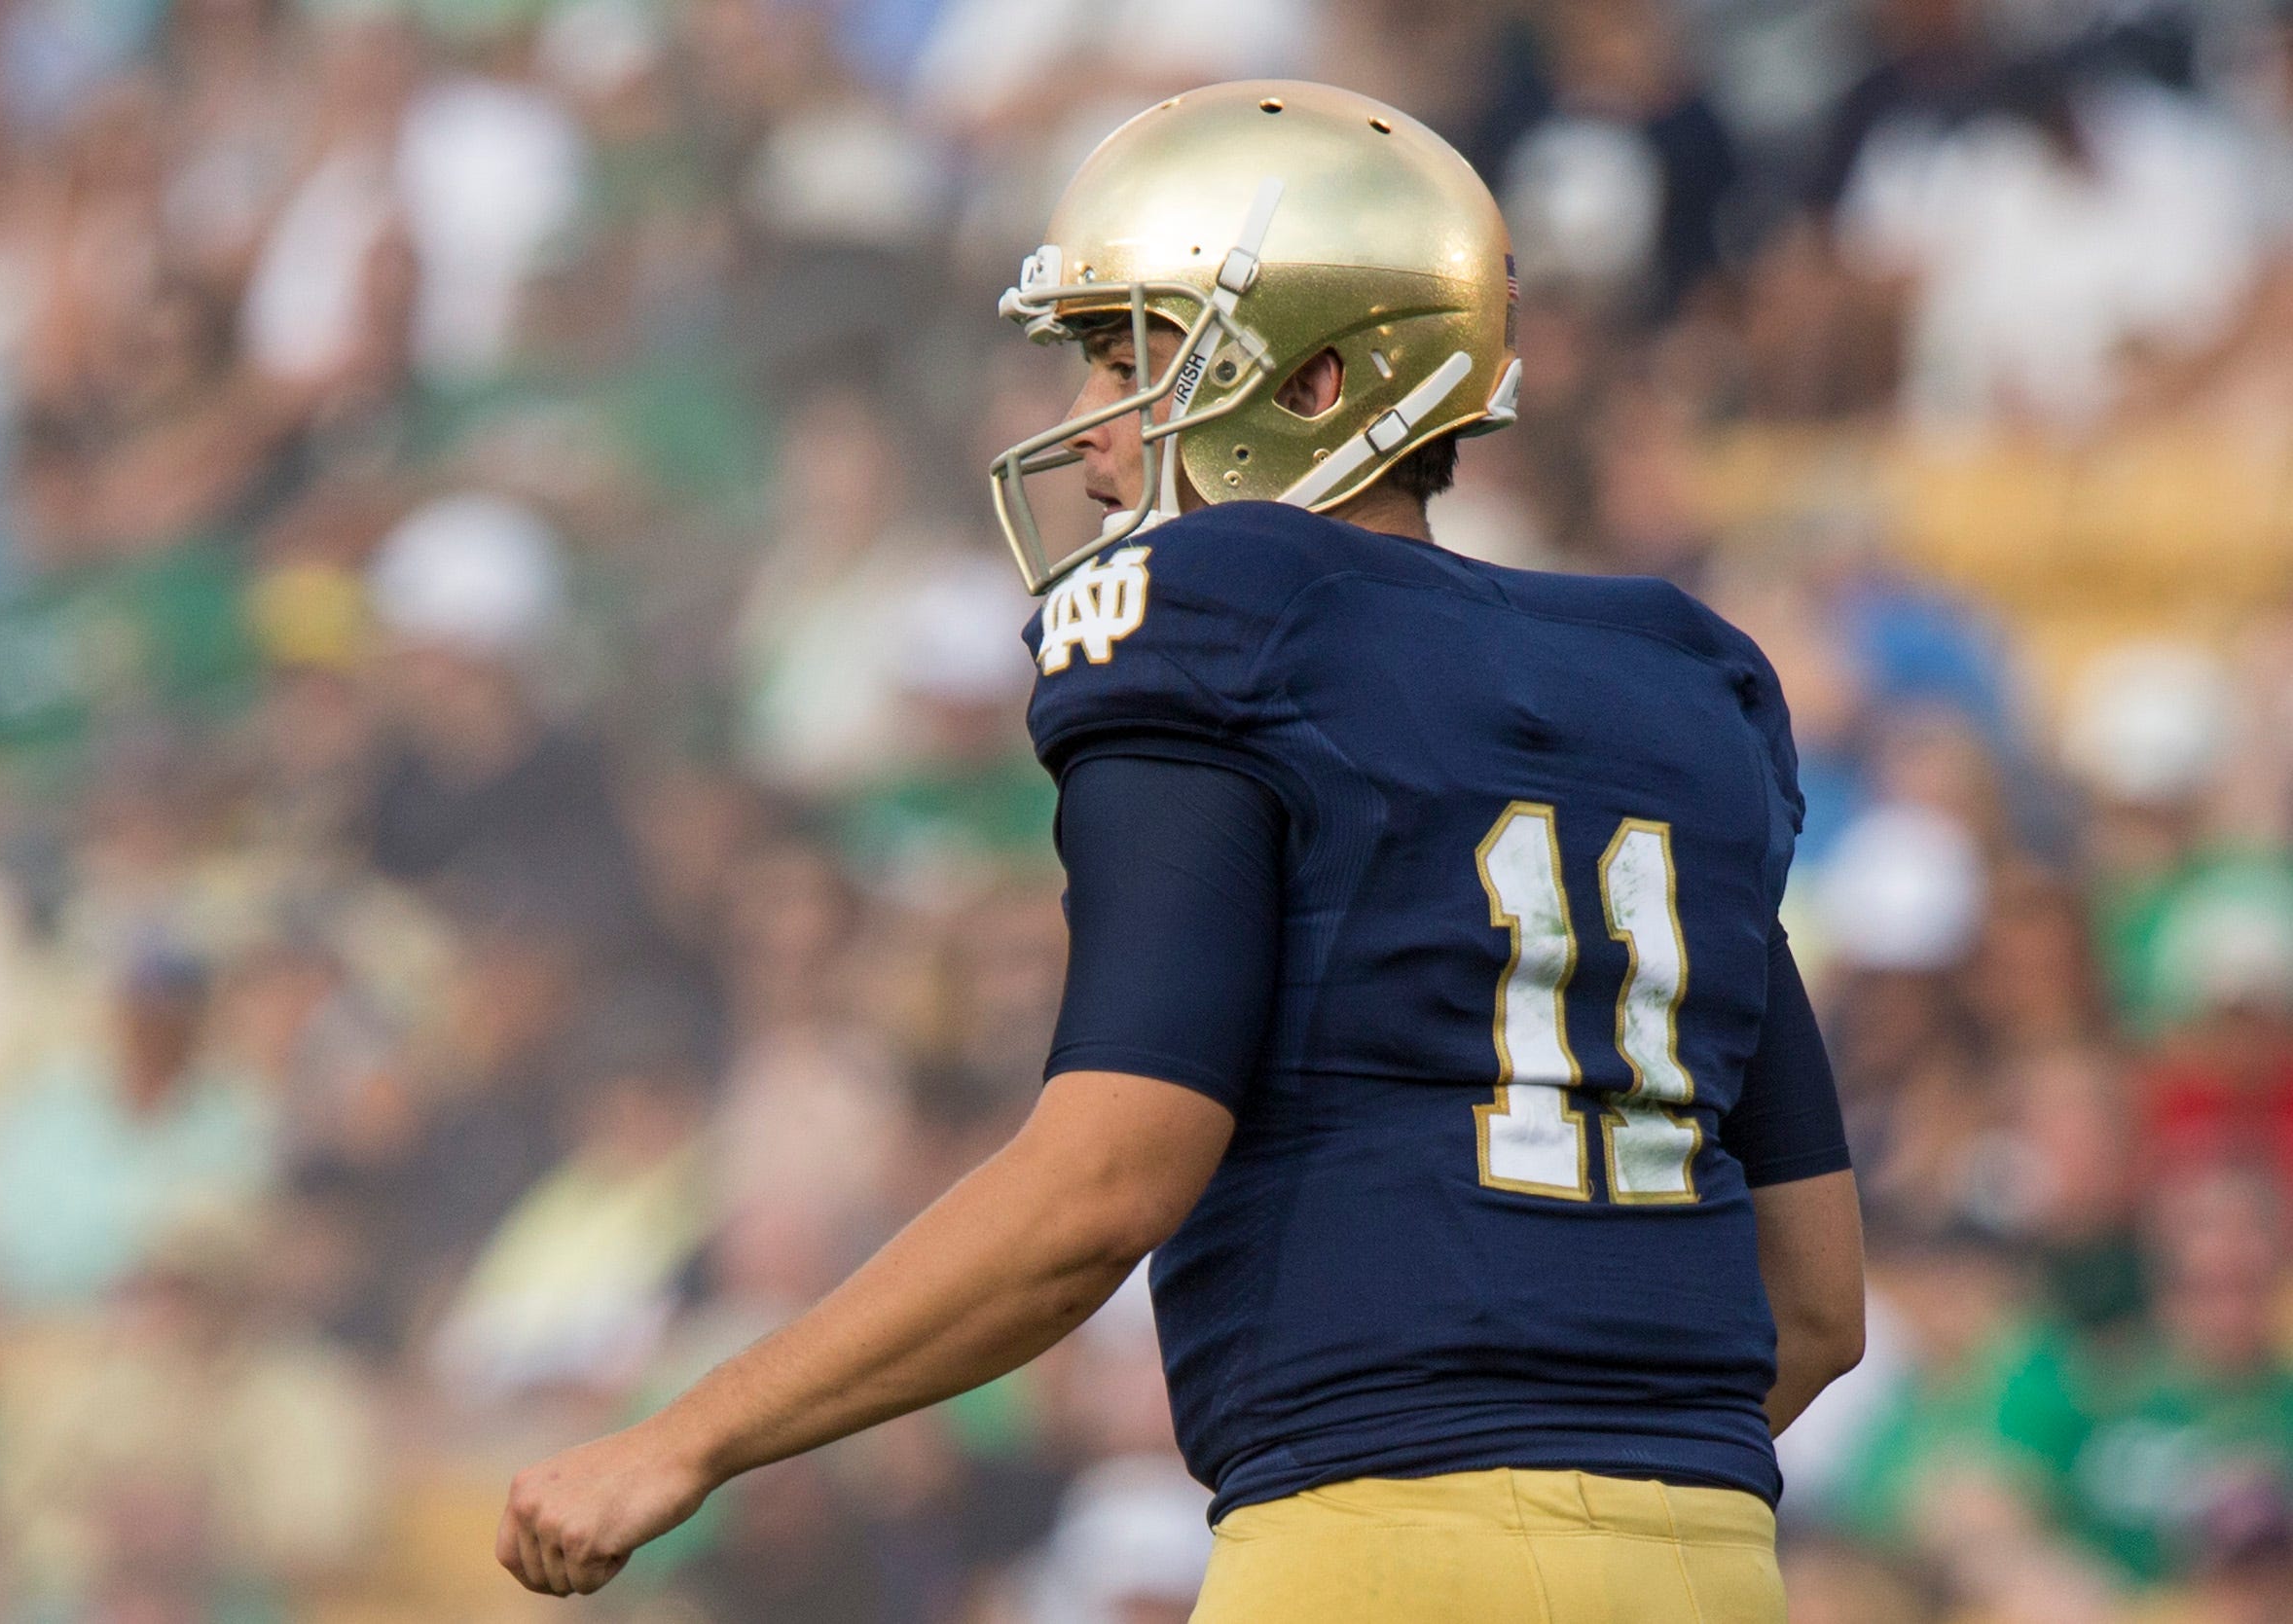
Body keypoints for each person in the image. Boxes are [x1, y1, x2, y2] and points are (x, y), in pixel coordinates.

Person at [498, 81, 1868, 1620]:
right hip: (1708, 1562)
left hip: (1377, 1553)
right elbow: (1814, 1307)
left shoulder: (1221, 617)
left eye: (1129, 355)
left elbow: (1102, 1183)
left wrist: (683, 1439)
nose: (1089, 435)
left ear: (1321, 377)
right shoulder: (1682, 679)